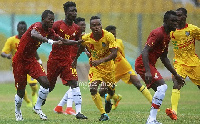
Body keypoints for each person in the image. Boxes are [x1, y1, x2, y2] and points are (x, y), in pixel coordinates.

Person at [12, 10, 81, 121]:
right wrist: (49, 41)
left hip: (31, 60)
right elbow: (34, 34)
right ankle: (18, 111)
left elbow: (61, 40)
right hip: (19, 61)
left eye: (53, 19)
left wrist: (76, 42)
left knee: (46, 83)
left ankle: (37, 107)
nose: (51, 21)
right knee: (21, 90)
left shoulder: (50, 31)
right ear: (43, 19)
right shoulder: (37, 26)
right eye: (49, 19)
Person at [135, 10, 185, 124]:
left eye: (176, 21)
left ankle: (154, 118)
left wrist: (176, 75)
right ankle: (151, 120)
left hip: (148, 64)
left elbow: (164, 58)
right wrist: (147, 71)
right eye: (172, 21)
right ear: (165, 21)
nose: (175, 23)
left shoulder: (167, 36)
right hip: (143, 63)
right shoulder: (158, 33)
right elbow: (145, 51)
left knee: (160, 91)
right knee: (162, 87)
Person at [73, 16, 118, 121]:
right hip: (95, 68)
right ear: (90, 27)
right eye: (94, 25)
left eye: (99, 24)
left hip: (108, 68)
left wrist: (100, 61)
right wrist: (75, 60)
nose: (97, 27)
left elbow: (114, 53)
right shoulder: (86, 38)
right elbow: (80, 48)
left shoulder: (109, 36)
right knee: (93, 88)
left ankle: (108, 99)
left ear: (101, 25)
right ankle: (103, 114)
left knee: (111, 91)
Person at [47, 1, 87, 119]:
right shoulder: (58, 25)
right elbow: (50, 35)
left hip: (68, 61)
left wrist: (76, 58)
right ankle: (45, 104)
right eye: (71, 11)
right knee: (49, 86)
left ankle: (72, 109)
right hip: (56, 60)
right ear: (66, 12)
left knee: (73, 83)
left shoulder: (77, 30)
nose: (74, 13)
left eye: (75, 11)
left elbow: (80, 45)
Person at [105, 25, 153, 110]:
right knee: (103, 91)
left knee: (137, 83)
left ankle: (154, 104)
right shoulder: (104, 45)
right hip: (113, 71)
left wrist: (121, 62)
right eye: (112, 34)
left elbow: (122, 54)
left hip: (124, 68)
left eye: (115, 34)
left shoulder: (119, 42)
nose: (114, 36)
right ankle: (115, 98)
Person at [166, 7, 200, 120]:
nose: (177, 18)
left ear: (185, 16)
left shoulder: (193, 29)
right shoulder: (171, 31)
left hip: (193, 63)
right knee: (176, 83)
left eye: (180, 15)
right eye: (176, 16)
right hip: (179, 63)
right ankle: (174, 111)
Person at [1, 21, 40, 107]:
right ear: (17, 29)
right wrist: (7, 55)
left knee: (33, 85)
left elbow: (34, 51)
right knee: (20, 87)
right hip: (18, 67)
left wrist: (39, 61)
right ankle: (28, 101)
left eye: (24, 29)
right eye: (20, 29)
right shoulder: (11, 40)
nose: (22, 31)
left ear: (26, 30)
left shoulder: (29, 39)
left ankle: (34, 94)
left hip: (29, 65)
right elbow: (3, 52)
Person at [55, 16, 87, 116]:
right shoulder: (72, 36)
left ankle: (59, 107)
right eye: (82, 25)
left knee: (73, 85)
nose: (84, 27)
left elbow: (83, 47)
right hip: (67, 63)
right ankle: (69, 108)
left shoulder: (83, 36)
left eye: (85, 25)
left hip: (72, 62)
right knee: (74, 85)